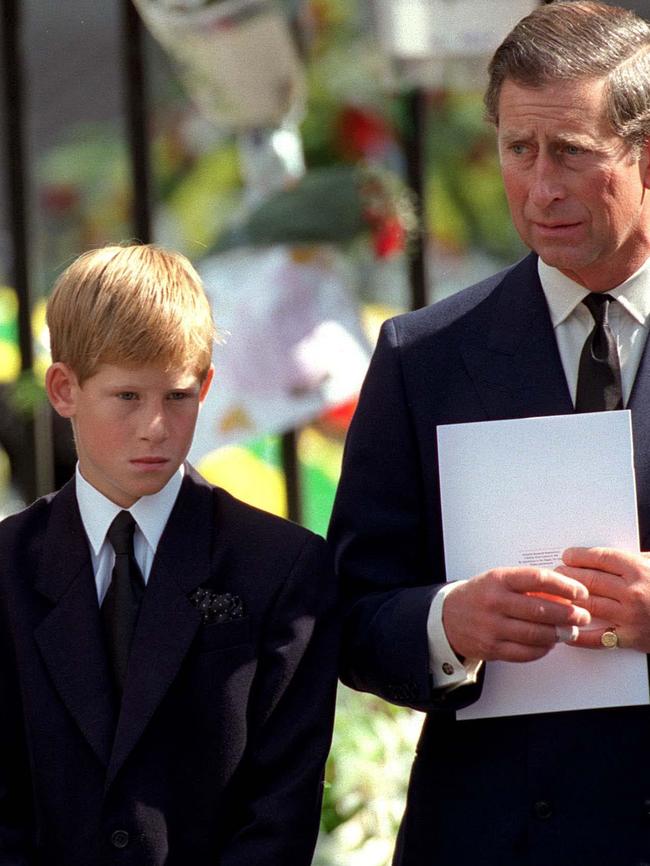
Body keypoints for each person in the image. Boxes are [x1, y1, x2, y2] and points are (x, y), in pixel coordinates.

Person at [329, 2, 650, 864]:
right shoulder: (422, 355)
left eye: (572, 154)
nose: (540, 188)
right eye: (519, 150)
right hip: (498, 834)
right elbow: (350, 614)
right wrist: (448, 624)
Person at [0, 243, 338, 865]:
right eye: (127, 397)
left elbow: (280, 814)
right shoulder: (5, 569)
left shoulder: (279, 567)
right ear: (63, 388)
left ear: (206, 386)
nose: (155, 425)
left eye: (177, 396)